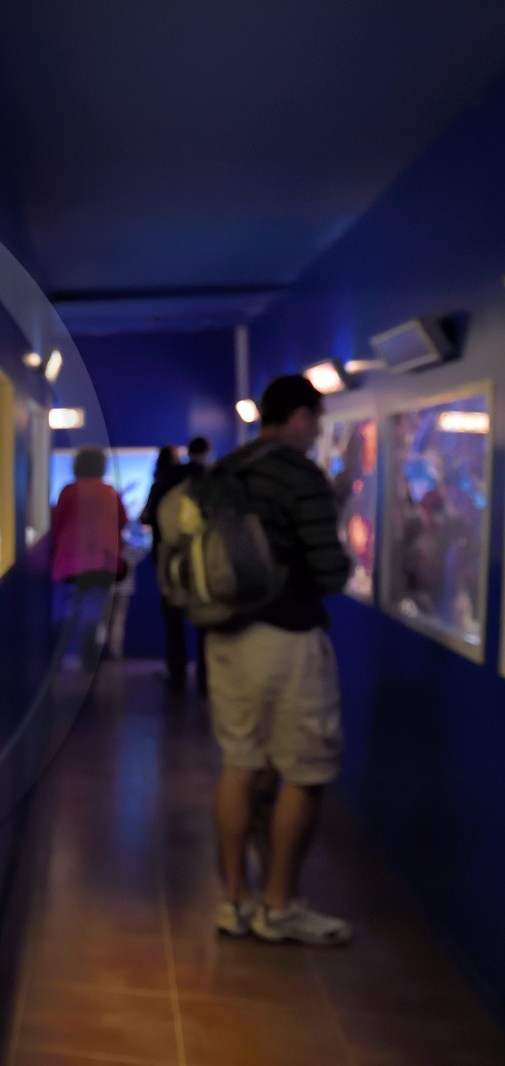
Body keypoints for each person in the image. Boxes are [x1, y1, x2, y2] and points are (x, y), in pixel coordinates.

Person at [205, 376, 351, 945]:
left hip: (225, 636)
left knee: (239, 762)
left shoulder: (227, 468)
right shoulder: (298, 474)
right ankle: (280, 905)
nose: (316, 433)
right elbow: (332, 572)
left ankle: (233, 899)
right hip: (287, 637)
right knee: (304, 768)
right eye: (315, 421)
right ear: (297, 417)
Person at [141, 437, 211, 691]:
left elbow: (147, 515)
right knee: (206, 620)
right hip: (204, 559)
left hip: (167, 558)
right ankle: (206, 679)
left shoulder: (164, 481)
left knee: (173, 619)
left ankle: (177, 675)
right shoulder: (211, 478)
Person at [51, 446, 127, 667]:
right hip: (102, 563)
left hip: (69, 563)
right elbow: (121, 522)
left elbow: (57, 523)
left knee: (64, 614)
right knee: (92, 615)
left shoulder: (69, 491)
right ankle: (89, 665)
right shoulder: (109, 492)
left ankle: (56, 663)